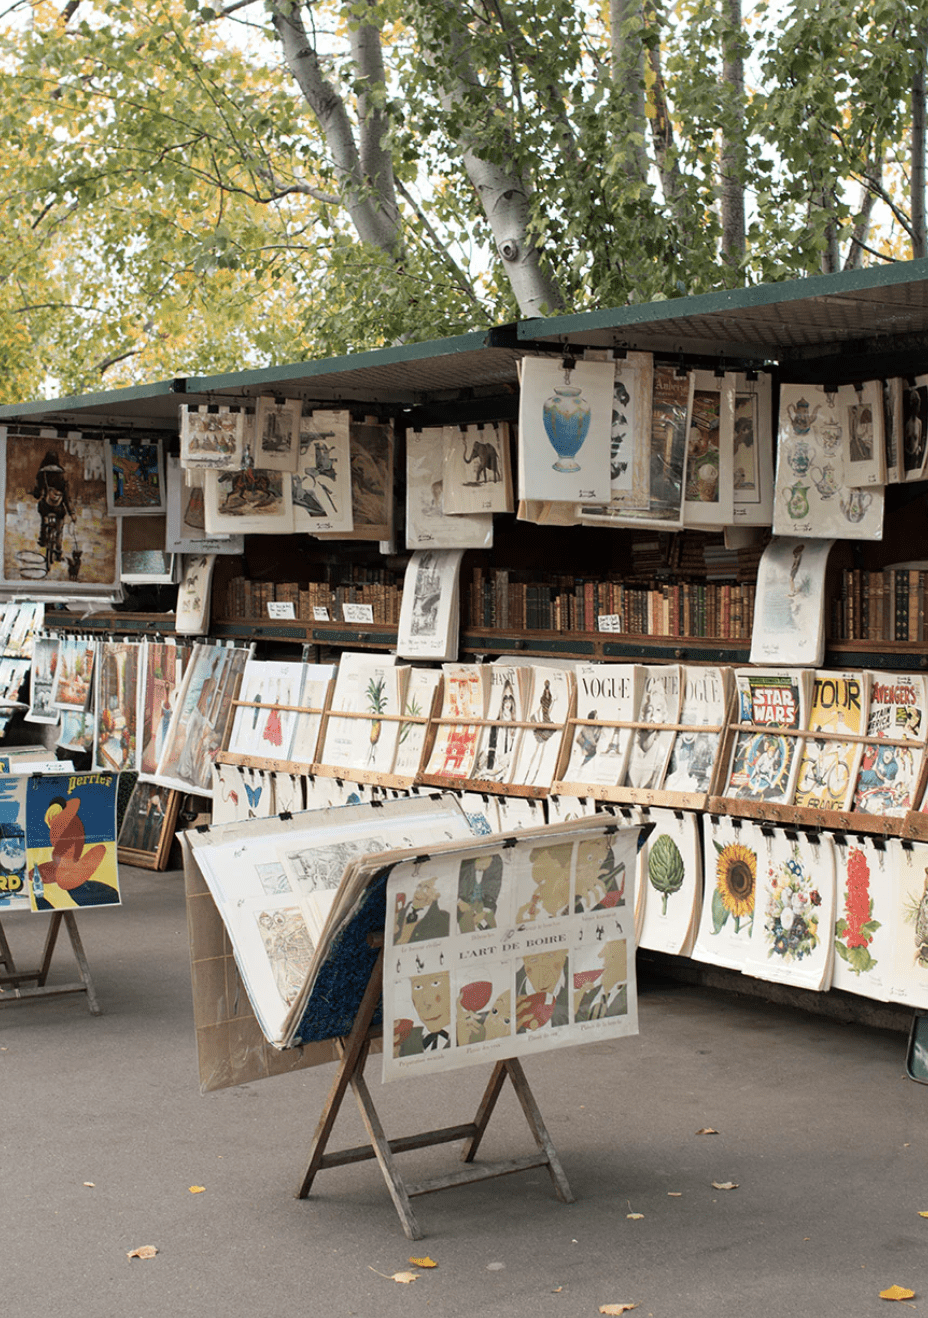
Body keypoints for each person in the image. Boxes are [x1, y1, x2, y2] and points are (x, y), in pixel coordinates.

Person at [394, 970, 451, 1055]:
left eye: (436, 983)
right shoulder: (405, 1038)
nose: (427, 1002)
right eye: (418, 987)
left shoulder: (467, 1030)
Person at [32, 450, 73, 559]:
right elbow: (66, 496)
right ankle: (58, 550)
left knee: (43, 515)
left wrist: (36, 494)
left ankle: (43, 537)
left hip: (46, 506)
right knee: (59, 528)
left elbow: (37, 493)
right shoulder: (62, 474)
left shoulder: (42, 473)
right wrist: (71, 513)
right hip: (58, 508)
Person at [516, 950, 569, 1032]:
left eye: (550, 956)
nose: (542, 979)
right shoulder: (513, 986)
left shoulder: (577, 975)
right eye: (534, 960)